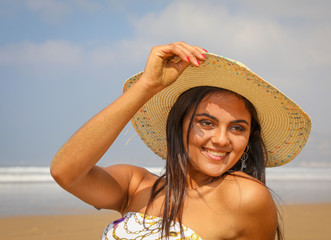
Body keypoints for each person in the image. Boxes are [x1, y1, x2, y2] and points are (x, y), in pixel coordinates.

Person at [51, 42, 311, 240]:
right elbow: (65, 172)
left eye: (237, 128)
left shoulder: (244, 196)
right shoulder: (136, 186)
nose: (221, 139)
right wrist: (147, 86)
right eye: (206, 123)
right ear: (178, 125)